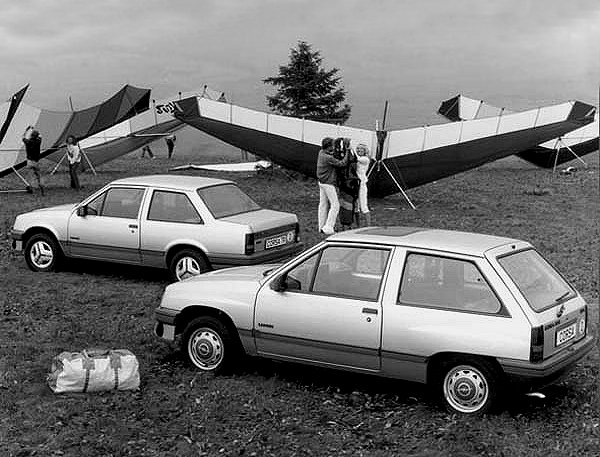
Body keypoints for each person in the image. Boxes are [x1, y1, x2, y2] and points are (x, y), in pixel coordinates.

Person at [316, 137, 348, 235]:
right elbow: (342, 163)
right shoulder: (328, 158)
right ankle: (328, 227)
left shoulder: (321, 152)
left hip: (321, 182)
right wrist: (347, 151)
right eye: (333, 145)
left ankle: (321, 226)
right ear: (329, 146)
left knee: (323, 204)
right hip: (328, 183)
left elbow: (331, 154)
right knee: (335, 205)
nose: (334, 147)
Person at [22, 126, 44, 195]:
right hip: (36, 161)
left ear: (31, 135)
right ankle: (42, 190)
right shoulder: (38, 141)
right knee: (39, 176)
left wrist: (27, 129)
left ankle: (33, 191)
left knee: (31, 177)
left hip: (29, 161)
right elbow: (40, 135)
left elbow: (23, 136)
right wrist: (34, 130)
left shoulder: (27, 142)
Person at [354, 143, 372, 226]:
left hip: (361, 184)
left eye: (361, 148)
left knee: (363, 206)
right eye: (357, 148)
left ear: (365, 150)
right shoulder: (360, 158)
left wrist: (350, 149)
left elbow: (356, 159)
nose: (359, 150)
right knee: (356, 206)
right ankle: (358, 226)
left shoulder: (365, 159)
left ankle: (368, 226)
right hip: (356, 183)